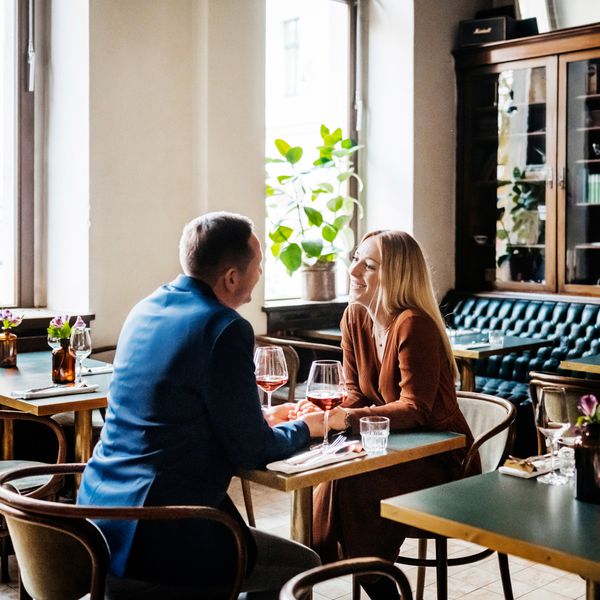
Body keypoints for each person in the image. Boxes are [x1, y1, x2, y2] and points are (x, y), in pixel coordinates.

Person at [77, 211, 323, 599]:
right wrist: (311, 427)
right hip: (165, 533)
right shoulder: (225, 328)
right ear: (231, 277)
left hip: (96, 520)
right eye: (258, 268)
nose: (259, 276)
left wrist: (262, 416)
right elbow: (253, 449)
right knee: (303, 567)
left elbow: (172, 410)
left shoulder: (144, 308)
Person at [298, 230, 480, 600]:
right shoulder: (354, 317)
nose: (353, 271)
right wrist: (326, 410)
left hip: (441, 457)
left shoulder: (414, 323)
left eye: (369, 265)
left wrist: (344, 420)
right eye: (355, 259)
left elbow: (416, 408)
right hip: (388, 447)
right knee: (328, 474)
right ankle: (330, 568)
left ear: (396, 275)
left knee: (352, 483)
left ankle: (378, 585)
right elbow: (353, 394)